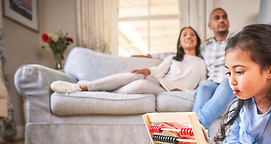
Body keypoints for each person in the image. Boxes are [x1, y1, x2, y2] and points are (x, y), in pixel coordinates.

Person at [51, 27, 206, 94]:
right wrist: (148, 70)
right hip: (160, 81)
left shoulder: (201, 63)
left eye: (192, 34)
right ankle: (84, 87)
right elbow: (158, 71)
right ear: (180, 42)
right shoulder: (173, 57)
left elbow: (202, 87)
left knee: (140, 85)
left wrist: (183, 91)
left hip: (168, 91)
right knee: (137, 76)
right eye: (184, 35)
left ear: (197, 40)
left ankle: (100, 90)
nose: (188, 37)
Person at [192, 8, 236, 131]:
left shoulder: (237, 42)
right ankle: (199, 135)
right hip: (211, 81)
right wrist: (149, 55)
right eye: (217, 18)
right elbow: (180, 53)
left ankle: (194, 129)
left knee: (227, 83)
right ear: (210, 25)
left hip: (228, 79)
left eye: (224, 17)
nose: (221, 20)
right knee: (203, 87)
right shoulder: (204, 46)